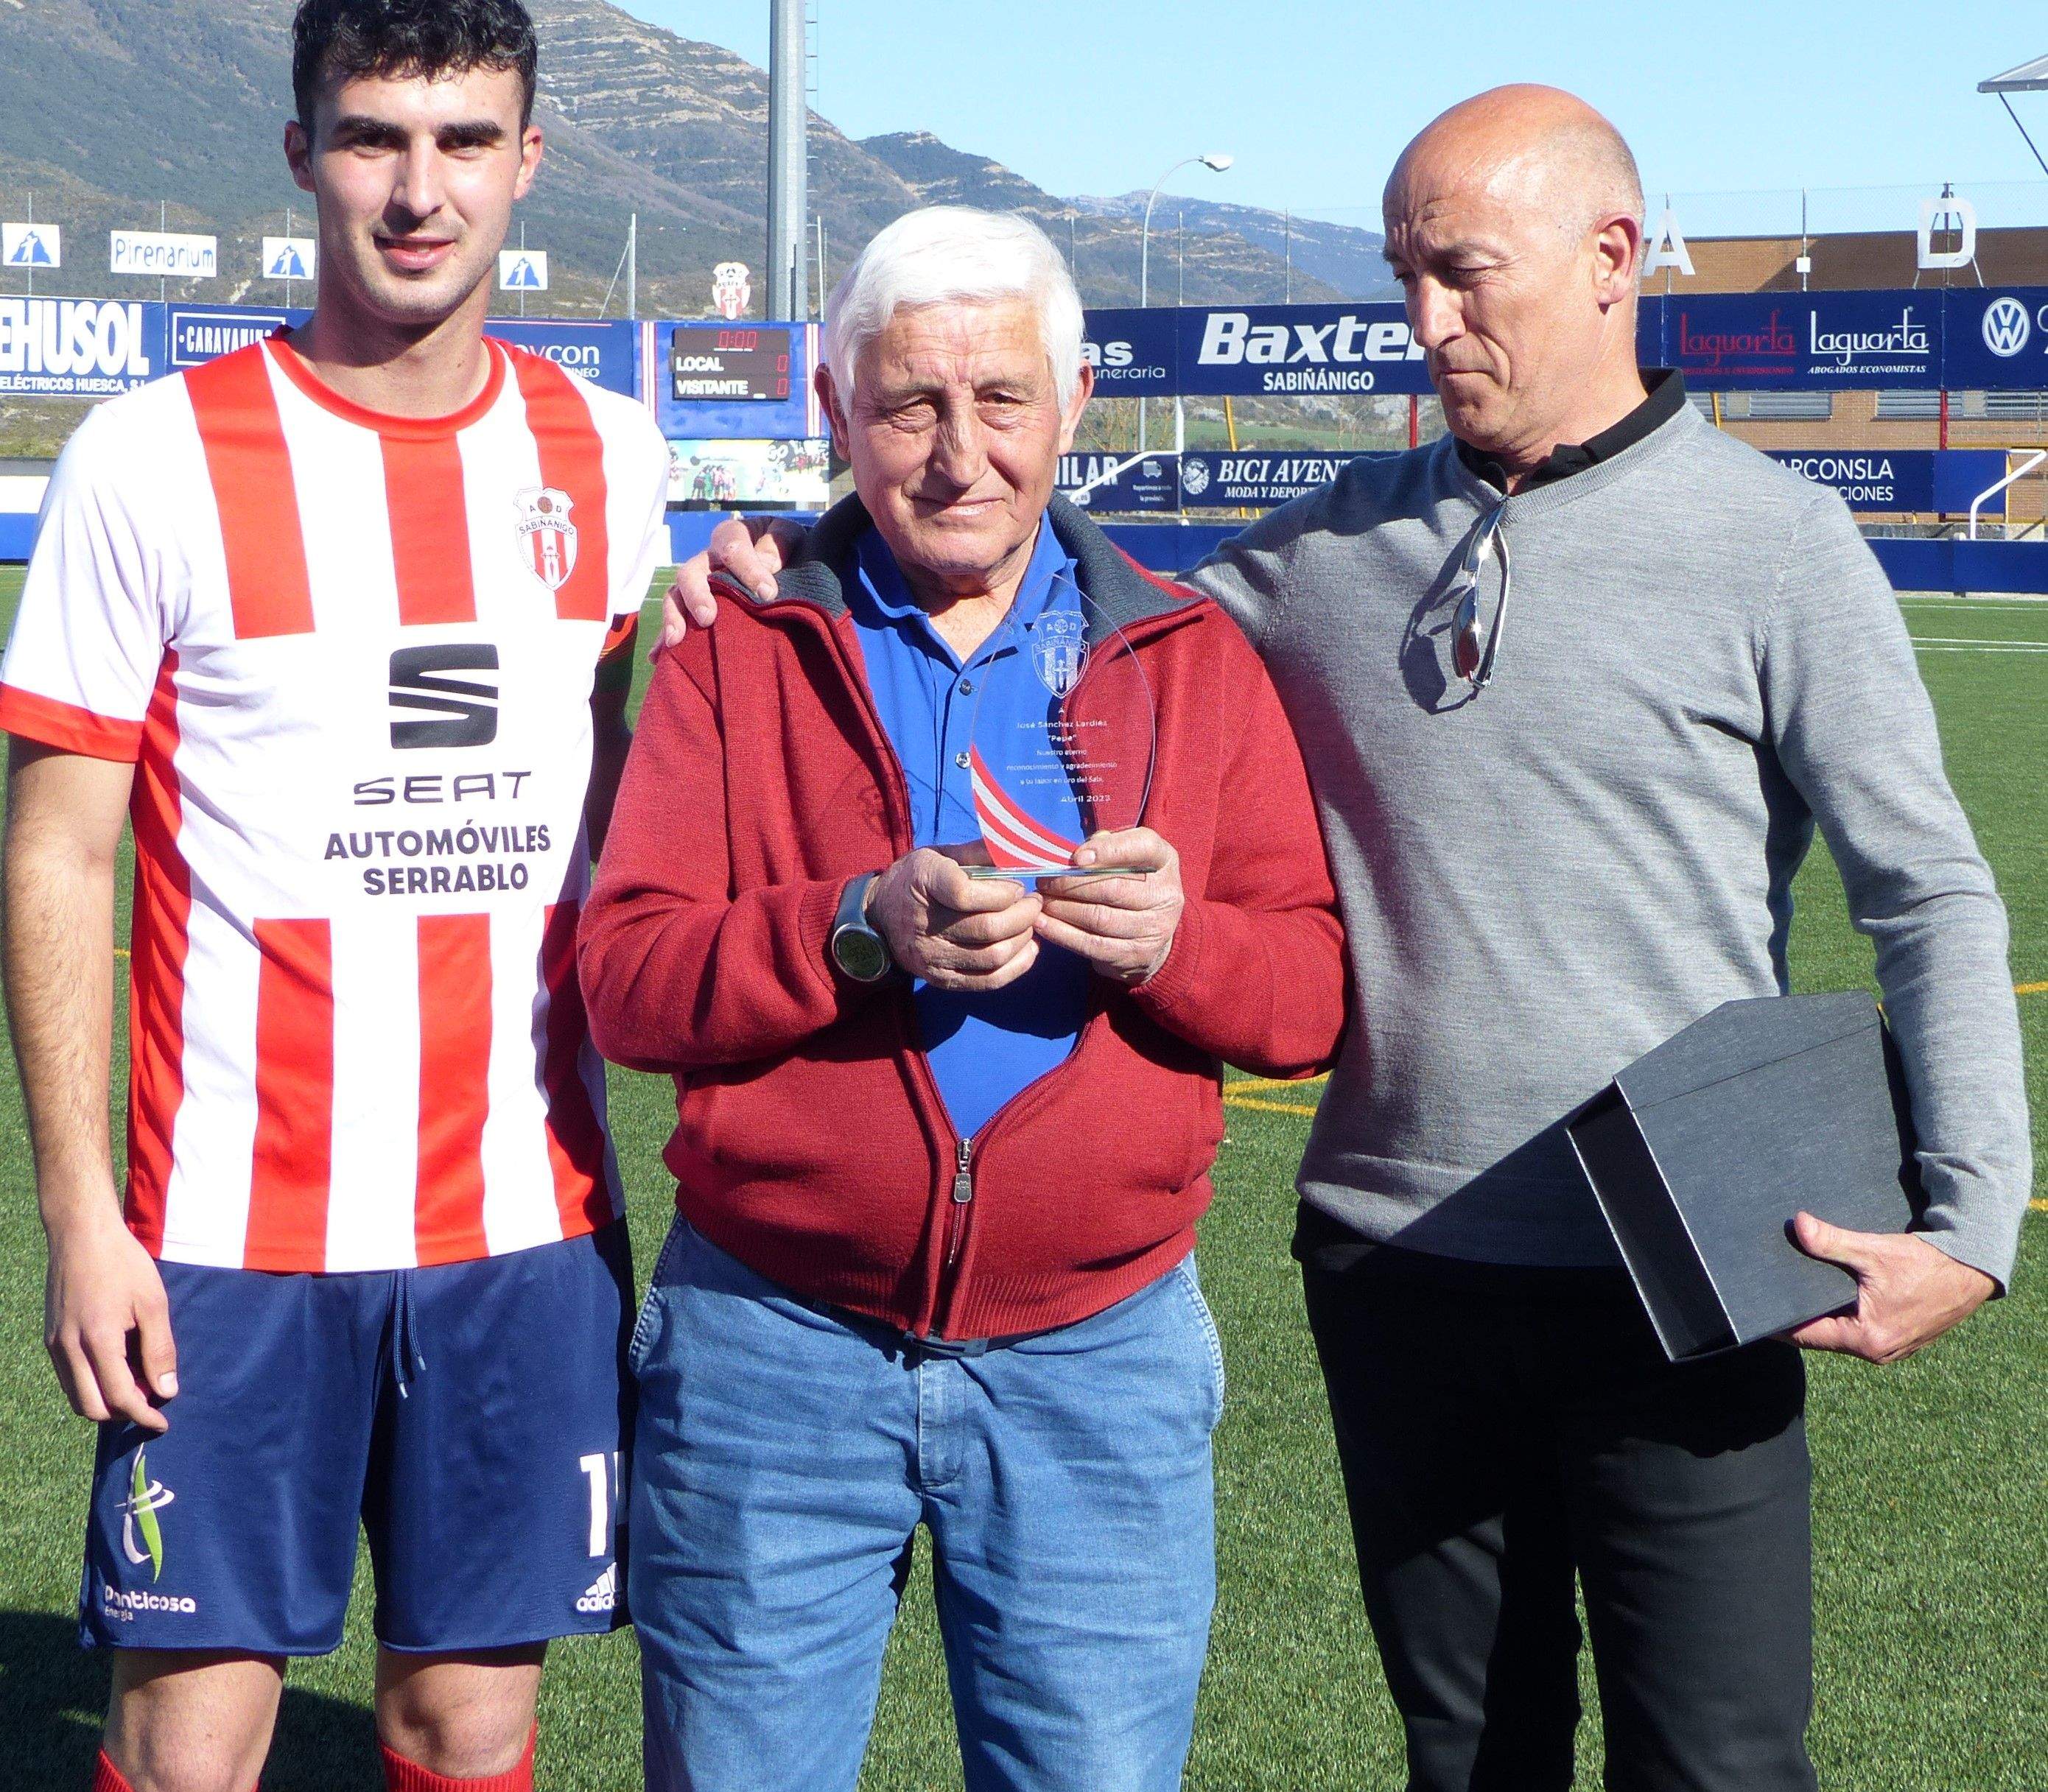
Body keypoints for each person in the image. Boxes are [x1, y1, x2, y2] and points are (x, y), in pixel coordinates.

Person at [665, 88, 2031, 1792]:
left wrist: (1972, 1220)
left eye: (1465, 275)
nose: (1426, 322)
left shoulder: (1778, 544)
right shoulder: (1324, 549)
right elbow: (1044, 587)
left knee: (1722, 1757)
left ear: (1612, 260)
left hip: (1693, 1262)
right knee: (1467, 1754)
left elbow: (1927, 887)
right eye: (1404, 278)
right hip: (1402, 1256)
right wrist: (795, 549)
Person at [578, 205, 1345, 1792]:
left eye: (1000, 399)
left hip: (1097, 1359)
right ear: (834, 408)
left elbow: (1307, 997)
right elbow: (630, 980)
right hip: (770, 1348)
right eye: (910, 403)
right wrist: (854, 924)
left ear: (1070, 406)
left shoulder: (1193, 656)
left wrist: (1170, 942)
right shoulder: (741, 641)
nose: (957, 452)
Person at [0, 4, 670, 1789]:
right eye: (375, 136)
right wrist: (81, 1213)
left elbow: (629, 794)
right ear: (301, 151)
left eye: (465, 141)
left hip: (521, 1221)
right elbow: (61, 846)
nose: (418, 189)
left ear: (530, 161)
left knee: (469, 1718)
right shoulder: (148, 457)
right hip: (225, 1231)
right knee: (188, 1726)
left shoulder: (608, 456)